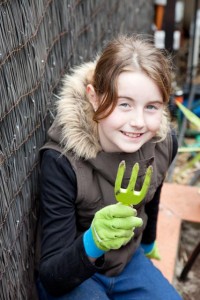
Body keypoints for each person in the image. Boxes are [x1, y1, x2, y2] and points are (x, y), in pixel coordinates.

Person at [36, 35, 182, 299]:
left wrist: (148, 242)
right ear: (94, 97)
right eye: (124, 103)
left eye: (151, 107)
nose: (138, 121)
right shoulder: (62, 161)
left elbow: (153, 195)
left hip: (128, 260)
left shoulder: (163, 142)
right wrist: (94, 240)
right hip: (75, 272)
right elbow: (51, 276)